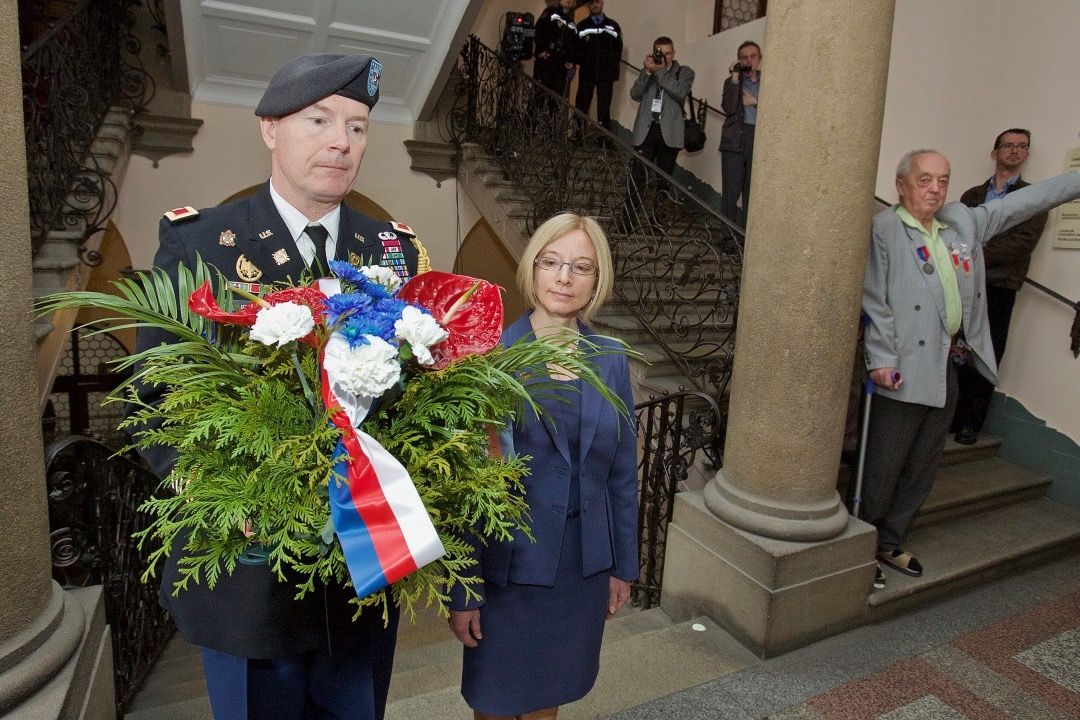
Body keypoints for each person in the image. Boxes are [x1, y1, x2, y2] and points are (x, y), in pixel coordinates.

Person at [134, 54, 429, 720]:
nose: (340, 143)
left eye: (357, 127)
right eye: (319, 120)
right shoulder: (202, 243)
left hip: (361, 574)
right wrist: (215, 495)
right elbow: (151, 399)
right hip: (251, 577)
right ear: (270, 129)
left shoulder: (391, 251)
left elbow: (415, 395)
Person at [448, 213, 639, 720]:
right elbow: (469, 487)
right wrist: (463, 586)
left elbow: (622, 471)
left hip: (580, 568)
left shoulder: (611, 358)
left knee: (548, 698)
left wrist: (622, 564)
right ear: (532, 269)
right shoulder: (489, 360)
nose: (564, 277)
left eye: (581, 267)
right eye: (552, 262)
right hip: (507, 570)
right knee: (495, 699)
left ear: (597, 281)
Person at [860, 150, 1080, 588]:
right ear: (901, 185)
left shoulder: (962, 222)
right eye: (924, 180)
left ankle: (891, 540)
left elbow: (1027, 202)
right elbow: (876, 298)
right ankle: (859, 552)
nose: (935, 189)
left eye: (942, 180)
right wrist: (882, 359)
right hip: (902, 369)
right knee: (883, 466)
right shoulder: (886, 228)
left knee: (923, 465)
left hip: (946, 366)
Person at [952, 129, 1048, 445]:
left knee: (987, 350)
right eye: (1008, 145)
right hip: (964, 283)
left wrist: (974, 253)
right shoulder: (971, 196)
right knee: (957, 348)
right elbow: (956, 234)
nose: (1015, 151)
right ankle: (950, 416)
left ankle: (970, 422)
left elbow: (1021, 243)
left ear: (1027, 154)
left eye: (1022, 146)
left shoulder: (1032, 198)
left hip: (1000, 285)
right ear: (995, 153)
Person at [629, 36, 694, 176]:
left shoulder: (685, 72)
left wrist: (660, 71)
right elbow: (635, 94)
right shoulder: (647, 71)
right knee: (638, 175)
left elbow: (680, 92)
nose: (664, 57)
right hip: (646, 129)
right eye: (660, 53)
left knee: (663, 179)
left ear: (674, 53)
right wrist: (646, 72)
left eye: (667, 53)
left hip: (669, 131)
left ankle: (660, 199)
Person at [719, 40, 762, 226]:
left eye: (753, 56)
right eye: (744, 57)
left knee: (752, 195)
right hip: (735, 140)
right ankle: (728, 239)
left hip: (758, 140)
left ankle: (747, 240)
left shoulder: (769, 82)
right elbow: (729, 107)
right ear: (739, 60)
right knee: (731, 192)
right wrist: (735, 77)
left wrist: (753, 101)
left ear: (760, 59)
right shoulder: (731, 82)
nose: (749, 60)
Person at [574, 0, 623, 133]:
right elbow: (576, 49)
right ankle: (578, 134)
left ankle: (604, 138)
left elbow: (617, 50)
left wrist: (612, 72)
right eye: (591, 3)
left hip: (605, 75)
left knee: (604, 108)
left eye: (597, 2)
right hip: (587, 73)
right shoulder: (582, 26)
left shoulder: (613, 26)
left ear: (602, 3)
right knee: (581, 105)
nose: (595, 5)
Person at [533, 0, 578, 102]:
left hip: (560, 65)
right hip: (546, 60)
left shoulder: (572, 24)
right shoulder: (550, 12)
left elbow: (573, 45)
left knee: (555, 100)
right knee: (539, 97)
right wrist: (539, 52)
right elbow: (538, 31)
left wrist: (572, 61)